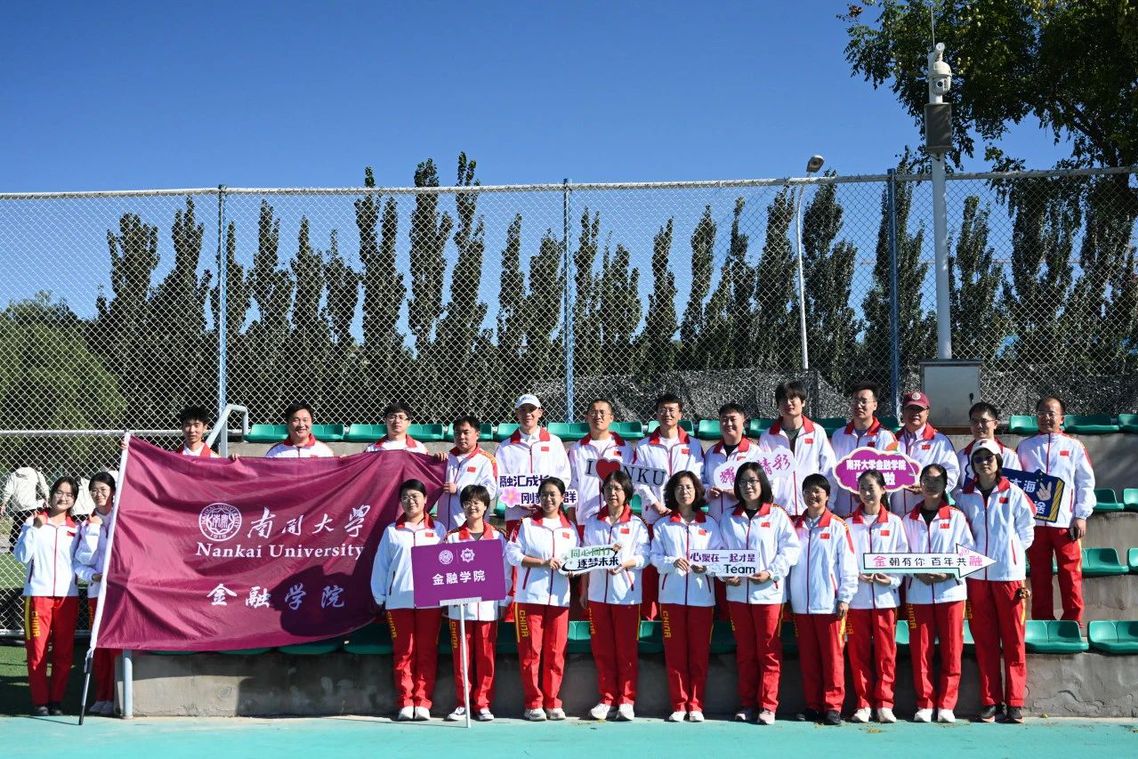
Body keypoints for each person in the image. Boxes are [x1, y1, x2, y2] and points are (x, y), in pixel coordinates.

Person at [955, 440, 1035, 724]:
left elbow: (1027, 531)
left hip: (1008, 577)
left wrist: (1010, 555)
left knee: (1013, 641)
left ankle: (1015, 702)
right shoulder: (964, 497)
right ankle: (990, 701)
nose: (984, 463)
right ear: (972, 466)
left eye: (988, 458)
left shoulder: (1014, 492)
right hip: (978, 578)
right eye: (978, 459)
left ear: (998, 462)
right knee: (985, 641)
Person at [718, 462, 801, 725]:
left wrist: (772, 572)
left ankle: (767, 705)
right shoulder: (729, 517)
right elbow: (719, 551)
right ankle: (747, 703)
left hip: (768, 595)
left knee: (768, 651)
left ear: (762, 483)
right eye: (743, 482)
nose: (748, 486)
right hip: (738, 595)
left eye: (753, 481)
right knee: (745, 651)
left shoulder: (776, 515)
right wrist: (725, 573)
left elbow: (791, 550)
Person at [902, 463, 973, 724]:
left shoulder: (956, 517)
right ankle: (924, 704)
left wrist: (947, 574)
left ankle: (946, 705)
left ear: (945, 485)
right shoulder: (908, 519)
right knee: (920, 651)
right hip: (918, 594)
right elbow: (900, 554)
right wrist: (916, 573)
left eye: (937, 480)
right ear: (920, 483)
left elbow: (969, 553)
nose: (931, 485)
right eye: (927, 480)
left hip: (951, 593)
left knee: (952, 650)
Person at [370, 479, 446, 720]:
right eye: (405, 497)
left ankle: (422, 701)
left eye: (415, 496)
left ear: (425, 500)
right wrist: (380, 596)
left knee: (426, 651)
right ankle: (405, 701)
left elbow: (447, 566)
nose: (410, 501)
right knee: (404, 652)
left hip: (430, 601)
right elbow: (381, 565)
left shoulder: (439, 530)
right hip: (398, 600)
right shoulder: (392, 531)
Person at [1015, 395, 1096, 623]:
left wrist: (1081, 515)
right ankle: (1044, 622)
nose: (1046, 418)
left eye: (1051, 413)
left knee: (1070, 574)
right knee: (1039, 575)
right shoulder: (1025, 447)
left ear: (1062, 418)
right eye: (1041, 413)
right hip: (1035, 523)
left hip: (1065, 523)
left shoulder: (1074, 446)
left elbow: (1085, 482)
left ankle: (1073, 621)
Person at [651, 471, 723, 723]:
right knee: (675, 653)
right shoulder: (663, 525)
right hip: (671, 598)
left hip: (702, 598)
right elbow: (654, 558)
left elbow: (720, 557)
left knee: (699, 654)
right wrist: (672, 562)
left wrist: (708, 567)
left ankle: (696, 704)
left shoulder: (710, 524)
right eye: (680, 487)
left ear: (697, 491)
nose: (685, 492)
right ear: (672, 492)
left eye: (689, 487)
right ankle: (679, 704)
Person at [506, 477, 578, 721]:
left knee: (556, 652)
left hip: (559, 599)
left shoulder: (570, 529)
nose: (548, 499)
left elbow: (578, 560)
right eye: (544, 494)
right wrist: (541, 563)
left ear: (562, 498)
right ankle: (533, 703)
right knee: (531, 652)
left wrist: (573, 569)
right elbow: (512, 553)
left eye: (553, 494)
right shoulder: (526, 524)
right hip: (530, 597)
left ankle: (552, 701)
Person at [579, 470, 650, 722]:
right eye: (608, 488)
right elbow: (585, 556)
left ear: (627, 493)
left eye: (617, 488)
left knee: (626, 650)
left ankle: (626, 700)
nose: (612, 493)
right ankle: (607, 698)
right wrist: (585, 589)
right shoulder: (593, 522)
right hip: (598, 595)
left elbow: (645, 556)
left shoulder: (636, 524)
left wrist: (625, 563)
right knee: (602, 649)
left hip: (626, 596)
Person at [787, 473, 857, 726]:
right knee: (809, 658)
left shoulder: (838, 525)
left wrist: (844, 597)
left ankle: (833, 706)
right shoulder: (794, 525)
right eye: (808, 491)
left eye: (817, 491)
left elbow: (848, 564)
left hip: (829, 604)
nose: (812, 496)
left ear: (828, 496)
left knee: (832, 658)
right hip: (801, 605)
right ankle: (813, 705)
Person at [15, 476, 83, 716]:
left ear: (74, 500)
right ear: (51, 494)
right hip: (38, 596)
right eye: (59, 492)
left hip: (67, 598)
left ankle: (56, 701)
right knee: (37, 651)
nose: (63, 498)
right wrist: (34, 529)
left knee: (64, 653)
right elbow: (22, 556)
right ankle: (40, 702)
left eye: (69, 494)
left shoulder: (77, 528)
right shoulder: (32, 521)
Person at [633, 393, 704, 620]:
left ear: (680, 414)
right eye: (663, 410)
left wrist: (685, 506)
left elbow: (697, 478)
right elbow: (638, 481)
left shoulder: (692, 445)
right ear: (656, 414)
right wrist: (655, 504)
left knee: (681, 564)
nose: (667, 414)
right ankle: (651, 617)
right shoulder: (644, 446)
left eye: (672, 410)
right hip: (655, 516)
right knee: (653, 568)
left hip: (684, 516)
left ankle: (676, 616)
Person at [846, 470, 908, 724]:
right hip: (857, 600)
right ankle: (863, 704)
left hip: (885, 599)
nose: (867, 493)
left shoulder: (894, 523)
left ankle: (884, 703)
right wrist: (855, 575)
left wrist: (891, 579)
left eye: (871, 487)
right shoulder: (848, 524)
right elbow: (843, 558)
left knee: (886, 653)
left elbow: (902, 557)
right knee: (858, 653)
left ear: (883, 490)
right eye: (862, 487)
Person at [443, 484, 510, 722]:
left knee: (486, 657)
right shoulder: (451, 537)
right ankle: (462, 703)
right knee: (461, 657)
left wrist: (504, 601)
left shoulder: (498, 537)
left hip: (488, 608)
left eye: (477, 502)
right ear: (462, 506)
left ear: (486, 506)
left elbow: (505, 573)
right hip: (459, 609)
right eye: (467, 503)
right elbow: (442, 572)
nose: (472, 507)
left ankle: (482, 703)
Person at [74, 472, 121, 717]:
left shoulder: (123, 517)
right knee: (99, 646)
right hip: (96, 593)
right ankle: (102, 696)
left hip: (119, 592)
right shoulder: (86, 524)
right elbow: (81, 562)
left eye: (103, 489)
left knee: (116, 646)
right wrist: (93, 576)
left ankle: (117, 696)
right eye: (94, 490)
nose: (98, 494)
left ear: (113, 491)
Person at [760, 380, 837, 517]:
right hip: (779, 511)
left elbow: (829, 470)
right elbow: (764, 474)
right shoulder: (767, 436)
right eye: (783, 399)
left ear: (803, 402)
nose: (788, 403)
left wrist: (828, 505)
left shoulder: (817, 432)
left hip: (813, 509)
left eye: (792, 398)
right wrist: (769, 503)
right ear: (778, 405)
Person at [496, 394, 571, 533]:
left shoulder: (554, 442)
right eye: (523, 410)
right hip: (516, 514)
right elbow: (499, 480)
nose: (527, 414)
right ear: (517, 414)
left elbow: (564, 476)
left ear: (540, 413)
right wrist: (519, 501)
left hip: (549, 511)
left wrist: (549, 499)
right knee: (516, 547)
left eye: (531, 409)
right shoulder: (505, 447)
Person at [829, 382, 898, 517]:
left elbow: (892, 474)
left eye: (864, 401)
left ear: (875, 405)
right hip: (842, 511)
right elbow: (831, 471)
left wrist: (866, 492)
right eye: (855, 400)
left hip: (872, 514)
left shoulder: (885, 436)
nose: (859, 405)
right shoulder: (838, 435)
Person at [567, 398, 635, 527]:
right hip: (585, 519)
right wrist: (571, 516)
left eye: (602, 412)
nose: (598, 416)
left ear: (611, 418)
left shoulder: (624, 447)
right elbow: (571, 485)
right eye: (593, 412)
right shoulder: (576, 449)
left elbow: (631, 483)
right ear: (587, 417)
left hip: (617, 520)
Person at [890, 391, 959, 516]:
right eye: (911, 408)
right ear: (903, 412)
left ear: (927, 412)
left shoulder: (940, 441)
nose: (915, 413)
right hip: (897, 514)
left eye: (919, 409)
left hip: (929, 514)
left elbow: (952, 473)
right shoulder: (891, 440)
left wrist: (928, 487)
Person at [703, 403, 764, 521]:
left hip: (743, 521)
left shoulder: (755, 453)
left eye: (733, 419)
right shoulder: (711, 453)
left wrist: (741, 494)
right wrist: (708, 492)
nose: (728, 424)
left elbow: (765, 486)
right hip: (715, 520)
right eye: (724, 419)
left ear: (743, 421)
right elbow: (703, 481)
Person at [437, 416, 498, 533]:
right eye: (457, 433)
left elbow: (490, 492)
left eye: (466, 432)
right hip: (443, 527)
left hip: (470, 528)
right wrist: (434, 462)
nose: (461, 437)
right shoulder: (446, 458)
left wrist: (459, 489)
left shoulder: (485, 460)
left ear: (477, 434)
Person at [956, 402, 1015, 493]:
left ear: (995, 424)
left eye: (984, 421)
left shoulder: (1009, 456)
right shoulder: (961, 456)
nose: (979, 426)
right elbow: (955, 486)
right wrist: (964, 498)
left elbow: (1016, 488)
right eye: (974, 421)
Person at [2, 466, 49, 552]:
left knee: (17, 526)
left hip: (18, 506)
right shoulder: (36, 473)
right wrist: (47, 499)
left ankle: (13, 546)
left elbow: (8, 490)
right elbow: (44, 487)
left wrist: (4, 503)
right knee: (31, 526)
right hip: (32, 505)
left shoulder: (14, 474)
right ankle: (31, 546)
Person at [264, 402, 335, 458]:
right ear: (288, 423)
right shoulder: (275, 452)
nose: (301, 425)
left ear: (311, 423)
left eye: (305, 420)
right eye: (296, 420)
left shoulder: (324, 451)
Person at [365, 402, 430, 454]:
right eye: (392, 417)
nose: (397, 421)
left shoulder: (419, 449)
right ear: (385, 421)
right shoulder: (373, 449)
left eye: (401, 417)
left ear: (409, 422)